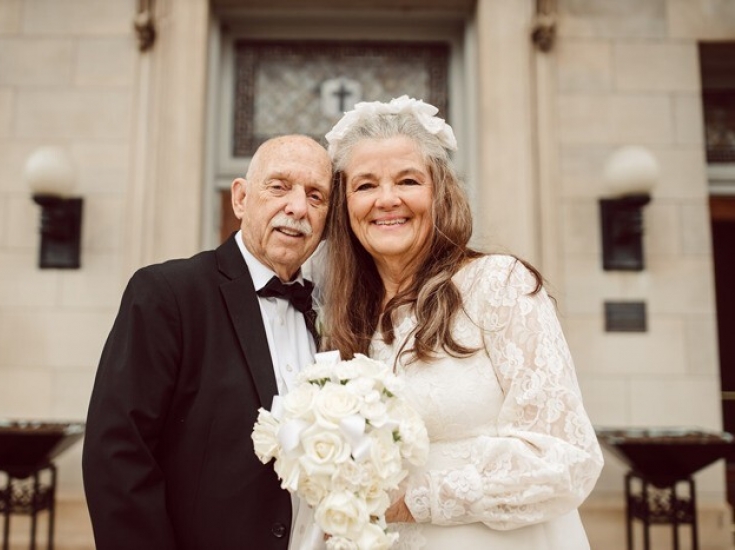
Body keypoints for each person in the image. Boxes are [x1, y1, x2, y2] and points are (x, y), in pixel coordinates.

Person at [320, 96, 604, 549]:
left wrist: (414, 499)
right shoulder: (351, 322)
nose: (387, 199)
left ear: (439, 192)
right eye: (365, 185)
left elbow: (567, 459)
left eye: (408, 180)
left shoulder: (499, 285)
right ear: (346, 205)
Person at [82, 134, 333, 550]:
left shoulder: (335, 310)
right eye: (279, 186)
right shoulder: (168, 294)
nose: (297, 207)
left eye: (316, 196)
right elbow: (118, 456)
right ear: (240, 198)